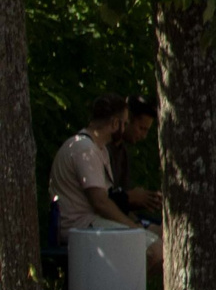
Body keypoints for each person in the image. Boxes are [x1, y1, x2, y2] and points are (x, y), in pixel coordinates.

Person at [49, 95, 158, 256]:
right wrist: (133, 227)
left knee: (158, 244)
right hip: (79, 228)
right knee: (155, 250)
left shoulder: (100, 149)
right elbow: (100, 202)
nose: (125, 128)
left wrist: (134, 223)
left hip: (91, 224)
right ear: (114, 124)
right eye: (124, 123)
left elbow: (108, 197)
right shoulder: (85, 149)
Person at [111, 94, 163, 223]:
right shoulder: (103, 149)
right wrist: (130, 197)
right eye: (141, 128)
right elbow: (103, 200)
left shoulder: (123, 152)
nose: (143, 136)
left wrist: (143, 200)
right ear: (127, 120)